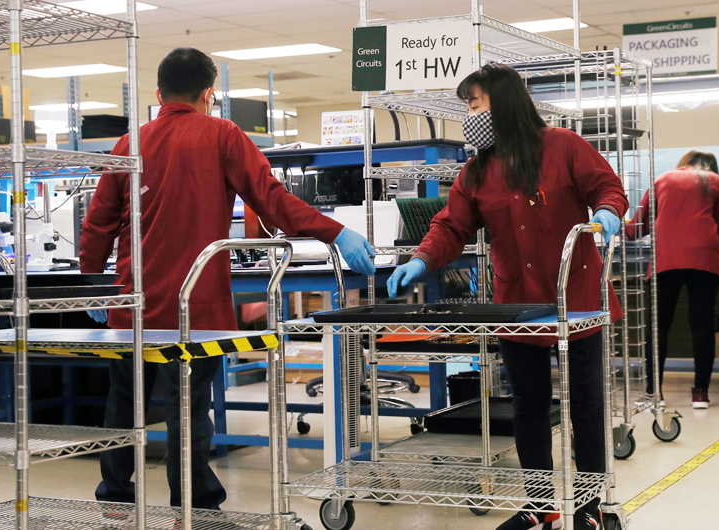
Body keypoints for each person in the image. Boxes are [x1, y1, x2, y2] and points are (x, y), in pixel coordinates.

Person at [79, 47, 376, 511]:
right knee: (189, 408)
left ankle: (114, 497)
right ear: (208, 94)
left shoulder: (127, 144)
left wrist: (93, 282)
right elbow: (273, 201)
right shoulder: (223, 135)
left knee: (124, 402)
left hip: (130, 301)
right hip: (194, 304)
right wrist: (335, 231)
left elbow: (97, 224)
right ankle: (194, 504)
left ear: (159, 94)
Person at [386, 63, 627, 530]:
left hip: (575, 300)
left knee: (587, 403)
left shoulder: (563, 147)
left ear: (505, 101)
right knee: (529, 406)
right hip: (516, 305)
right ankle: (540, 509)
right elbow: (452, 225)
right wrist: (421, 258)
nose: (470, 113)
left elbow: (607, 187)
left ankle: (592, 507)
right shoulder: (477, 171)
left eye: (474, 103)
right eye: (467, 106)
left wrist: (608, 213)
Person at [626, 149, 719, 409]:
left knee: (658, 325)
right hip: (704, 256)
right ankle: (701, 394)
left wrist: (615, 223)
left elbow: (638, 227)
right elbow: (718, 222)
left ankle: (653, 393)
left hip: (667, 256)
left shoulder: (663, 179)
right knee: (703, 325)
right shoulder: (715, 181)